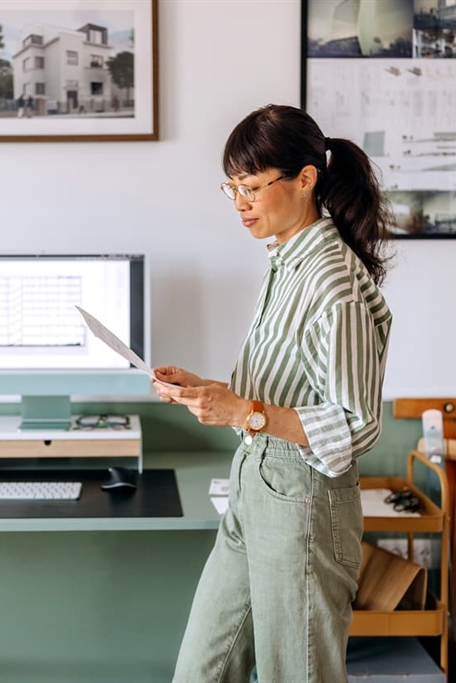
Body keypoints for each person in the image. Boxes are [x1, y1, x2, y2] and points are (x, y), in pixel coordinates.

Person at [153, 103, 393, 683]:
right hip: (255, 481)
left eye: (253, 186)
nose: (240, 202)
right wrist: (212, 391)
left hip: (303, 495)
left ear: (305, 179)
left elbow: (356, 425)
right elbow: (288, 385)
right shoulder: (285, 261)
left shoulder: (329, 278)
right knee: (201, 672)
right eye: (231, 187)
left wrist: (245, 412)